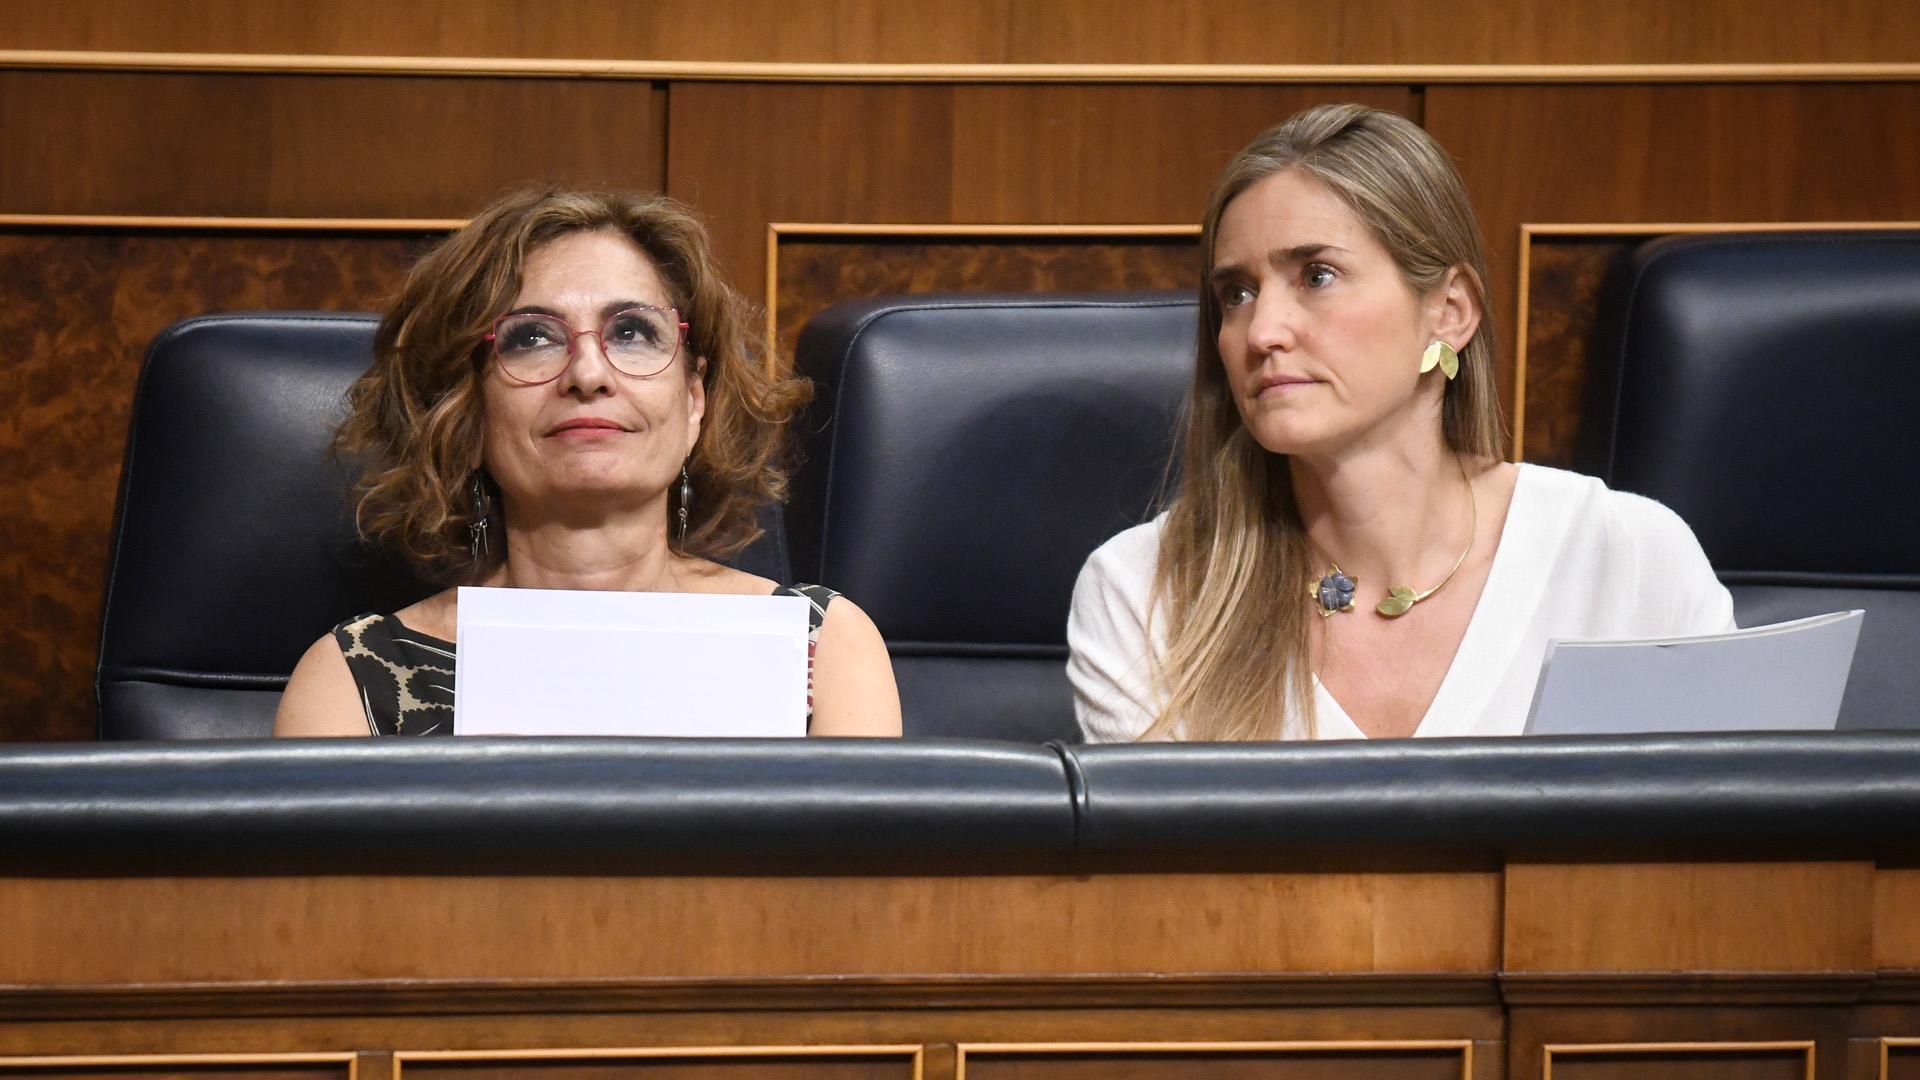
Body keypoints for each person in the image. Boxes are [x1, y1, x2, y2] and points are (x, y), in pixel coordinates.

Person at [1067, 104, 1734, 743]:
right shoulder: (1148, 593)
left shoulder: (1628, 557)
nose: (1261, 330)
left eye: (1318, 275)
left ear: (1450, 312)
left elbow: (1719, 845)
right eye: (1236, 293)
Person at [275, 188, 901, 738]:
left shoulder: (825, 649)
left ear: (692, 401)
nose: (589, 374)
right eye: (532, 338)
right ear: (464, 411)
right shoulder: (351, 682)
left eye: (631, 332)